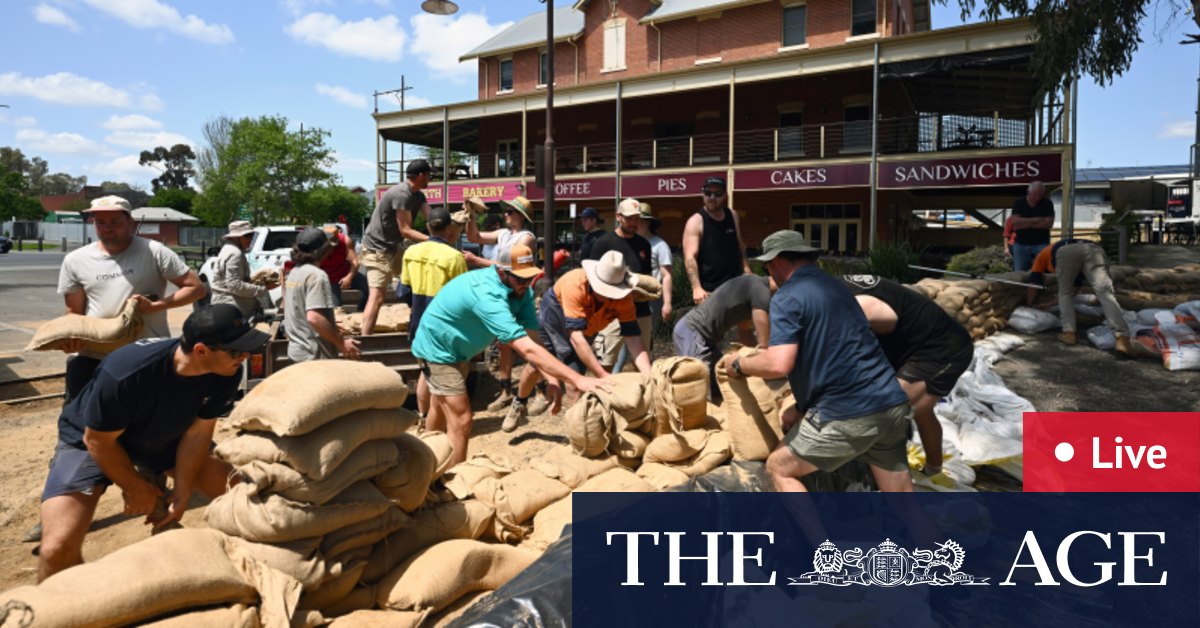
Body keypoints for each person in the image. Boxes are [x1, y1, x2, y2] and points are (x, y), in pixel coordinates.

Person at [37, 304, 268, 581]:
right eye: (236, 351)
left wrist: (182, 493)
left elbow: (196, 435)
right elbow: (98, 441)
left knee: (246, 500)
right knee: (56, 549)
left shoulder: (225, 372)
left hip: (166, 436)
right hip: (94, 441)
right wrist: (134, 486)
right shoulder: (127, 372)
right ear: (201, 351)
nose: (244, 357)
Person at [718, 231, 913, 493]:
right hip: (891, 404)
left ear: (777, 261)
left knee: (779, 468)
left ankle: (814, 536)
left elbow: (778, 364)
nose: (769, 274)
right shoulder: (836, 289)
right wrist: (802, 406)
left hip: (849, 412)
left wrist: (738, 364)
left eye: (767, 267)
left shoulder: (788, 297)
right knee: (904, 501)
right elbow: (835, 354)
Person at [411, 244, 607, 465]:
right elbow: (525, 348)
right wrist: (577, 379)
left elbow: (534, 340)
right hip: (438, 348)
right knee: (462, 418)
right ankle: (456, 479)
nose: (525, 284)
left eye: (528, 278)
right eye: (520, 279)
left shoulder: (522, 292)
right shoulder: (487, 294)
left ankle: (426, 462)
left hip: (458, 349)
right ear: (501, 272)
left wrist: (551, 379)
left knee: (439, 404)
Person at [57, 195, 206, 402]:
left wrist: (155, 306)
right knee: (79, 425)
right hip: (94, 359)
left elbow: (196, 288)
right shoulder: (75, 260)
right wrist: (70, 338)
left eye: (115, 221)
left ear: (130, 222)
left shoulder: (153, 251)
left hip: (146, 356)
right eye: (100, 222)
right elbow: (73, 311)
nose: (107, 227)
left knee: (146, 426)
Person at [840, 274, 975, 475]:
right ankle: (933, 470)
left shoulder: (855, 306)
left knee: (884, 414)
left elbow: (886, 321)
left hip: (942, 348)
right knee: (922, 412)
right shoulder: (833, 289)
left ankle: (891, 485)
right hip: (911, 345)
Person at [511, 250, 652, 431]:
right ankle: (519, 402)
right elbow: (575, 338)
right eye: (605, 291)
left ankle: (577, 436)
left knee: (574, 383)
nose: (610, 296)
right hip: (555, 316)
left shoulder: (624, 298)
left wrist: (649, 375)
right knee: (537, 366)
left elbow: (632, 338)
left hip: (585, 328)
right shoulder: (575, 285)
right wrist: (602, 376)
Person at [466, 195, 538, 411]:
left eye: (510, 211)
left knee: (529, 342)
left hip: (520, 291)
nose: (505, 214)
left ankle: (542, 389)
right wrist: (471, 215)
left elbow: (510, 265)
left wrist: (478, 261)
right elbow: (475, 236)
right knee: (504, 343)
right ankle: (506, 390)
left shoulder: (527, 238)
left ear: (521, 216)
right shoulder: (504, 234)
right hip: (504, 290)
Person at [401, 206, 473, 416]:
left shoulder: (411, 252)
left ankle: (424, 418)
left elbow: (404, 290)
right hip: (444, 326)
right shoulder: (454, 257)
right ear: (449, 227)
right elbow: (462, 297)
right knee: (446, 375)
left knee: (426, 370)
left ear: (427, 227)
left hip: (418, 322)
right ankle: (442, 419)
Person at [360, 159, 433, 335]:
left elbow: (433, 221)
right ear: (422, 175)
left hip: (394, 248)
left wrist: (458, 220)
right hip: (377, 249)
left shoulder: (418, 195)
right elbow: (406, 231)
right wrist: (434, 240)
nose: (431, 178)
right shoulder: (401, 194)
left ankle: (416, 321)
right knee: (377, 296)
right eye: (429, 175)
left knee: (417, 281)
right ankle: (364, 341)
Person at [1026, 239, 1132, 355]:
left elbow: (1033, 284)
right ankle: (1122, 338)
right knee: (1105, 293)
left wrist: (1029, 304)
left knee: (1064, 292)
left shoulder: (1040, 257)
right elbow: (1074, 290)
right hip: (1093, 249)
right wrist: (1049, 304)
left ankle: (1069, 334)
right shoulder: (1052, 253)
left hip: (1066, 250)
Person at [673, 274, 772, 396]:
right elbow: (764, 348)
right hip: (692, 332)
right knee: (699, 394)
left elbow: (745, 333)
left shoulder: (752, 287)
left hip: (706, 339)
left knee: (721, 387)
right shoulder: (761, 292)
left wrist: (752, 360)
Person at [588, 198, 654, 371]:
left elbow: (647, 276)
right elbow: (592, 278)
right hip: (611, 313)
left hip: (640, 310)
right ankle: (603, 397)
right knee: (605, 364)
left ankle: (641, 397)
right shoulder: (603, 243)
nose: (634, 222)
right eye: (629, 218)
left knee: (642, 363)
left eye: (636, 218)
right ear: (618, 217)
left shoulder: (644, 244)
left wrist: (646, 290)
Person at [284, 227, 362, 363]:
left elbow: (299, 311)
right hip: (315, 355)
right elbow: (314, 318)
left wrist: (329, 323)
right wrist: (341, 342)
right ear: (324, 250)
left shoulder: (294, 272)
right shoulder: (317, 276)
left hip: (297, 352)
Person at [682, 176, 749, 305]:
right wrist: (696, 288)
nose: (712, 197)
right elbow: (690, 258)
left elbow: (740, 244)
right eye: (708, 193)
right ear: (703, 194)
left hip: (736, 287)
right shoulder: (695, 222)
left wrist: (746, 268)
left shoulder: (733, 216)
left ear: (725, 195)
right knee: (715, 325)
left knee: (744, 323)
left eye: (717, 194)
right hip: (709, 292)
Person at [210, 220, 274, 317]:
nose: (251, 239)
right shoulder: (236, 253)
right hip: (231, 308)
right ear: (236, 238)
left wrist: (252, 280)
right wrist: (264, 288)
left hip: (222, 305)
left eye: (252, 235)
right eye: (247, 236)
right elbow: (234, 285)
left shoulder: (227, 248)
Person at [320, 225, 369, 311]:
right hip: (329, 279)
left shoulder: (346, 241)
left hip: (344, 273)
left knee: (370, 287)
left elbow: (355, 262)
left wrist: (349, 277)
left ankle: (361, 310)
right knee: (336, 307)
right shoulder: (317, 244)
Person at [1010, 181, 1055, 271]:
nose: (1037, 198)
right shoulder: (1019, 202)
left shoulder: (1047, 203)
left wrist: (1025, 224)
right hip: (1021, 244)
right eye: (1035, 195)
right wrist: (1035, 220)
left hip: (1041, 244)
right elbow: (1015, 222)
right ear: (1028, 192)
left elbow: (1048, 223)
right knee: (1019, 272)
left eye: (1040, 195)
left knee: (1045, 270)